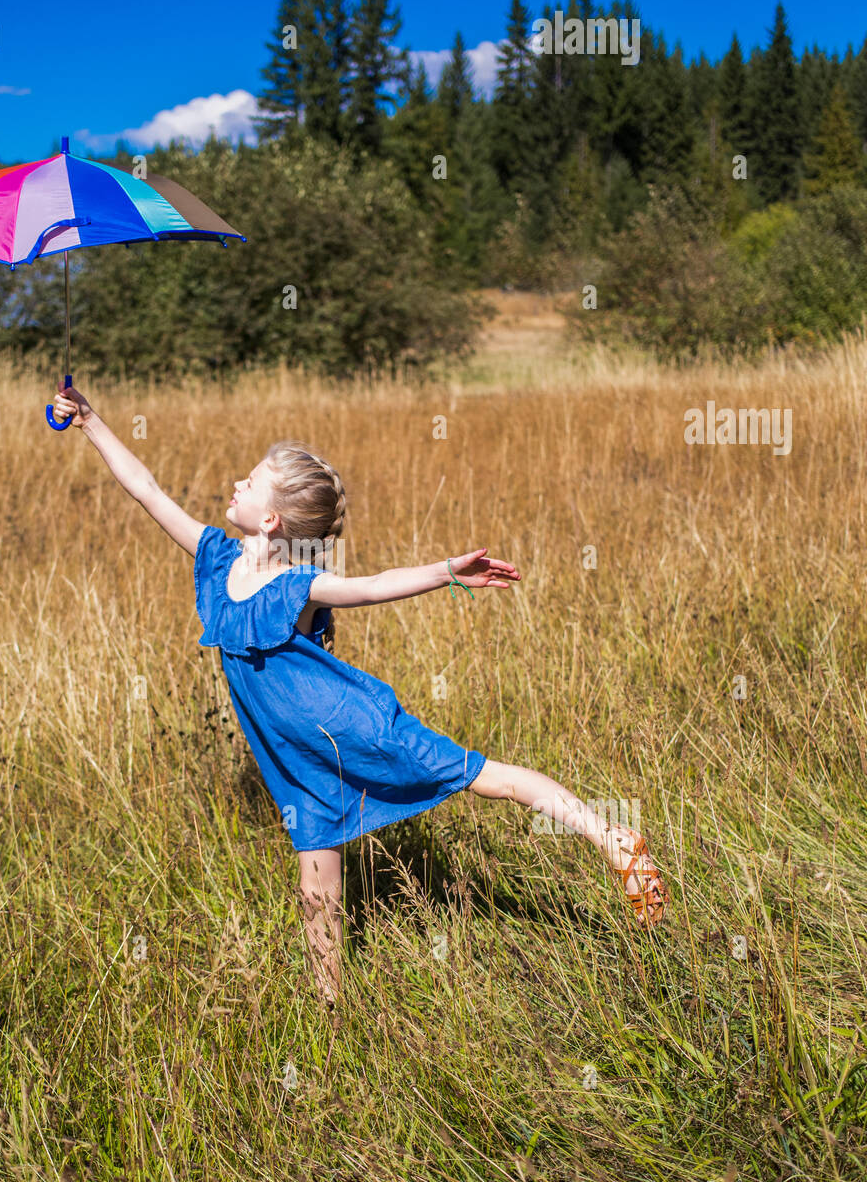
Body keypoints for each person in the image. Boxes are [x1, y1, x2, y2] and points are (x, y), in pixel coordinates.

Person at [51, 383, 668, 1009]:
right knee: (316, 879)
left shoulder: (299, 584)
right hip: (295, 757)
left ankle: (615, 840)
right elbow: (147, 490)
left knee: (483, 777)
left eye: (251, 480)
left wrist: (446, 572)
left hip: (357, 726)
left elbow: (373, 586)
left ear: (271, 520)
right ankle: (331, 1011)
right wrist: (92, 422)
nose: (234, 483)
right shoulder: (215, 558)